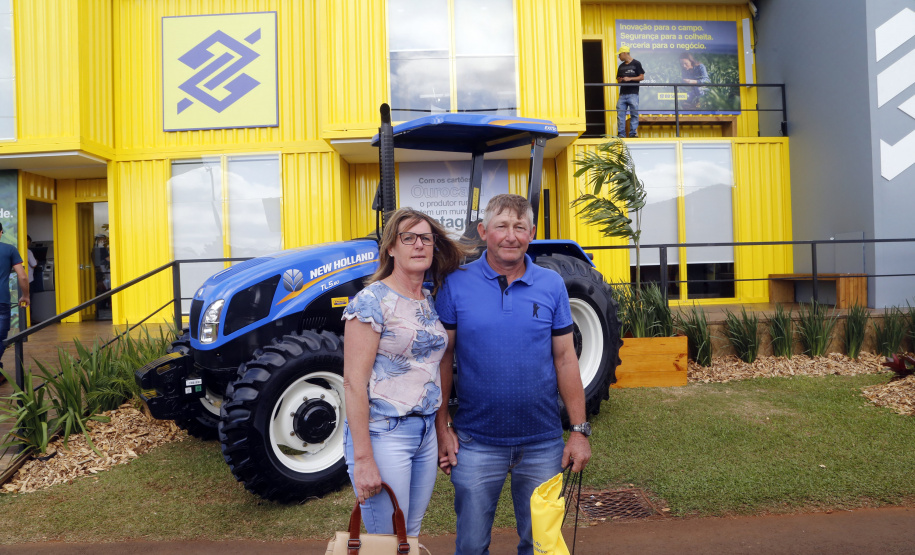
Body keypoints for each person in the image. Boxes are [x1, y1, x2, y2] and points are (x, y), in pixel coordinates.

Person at [435, 194, 592, 555]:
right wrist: (443, 427)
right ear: (483, 231)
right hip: (475, 441)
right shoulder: (456, 283)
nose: (510, 236)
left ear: (531, 233)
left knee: (540, 546)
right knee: (471, 546)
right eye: (501, 226)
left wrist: (579, 431)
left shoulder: (551, 285)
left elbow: (566, 359)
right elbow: (443, 358)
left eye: (519, 227)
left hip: (543, 443)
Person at [342, 207, 473, 537]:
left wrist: (441, 428)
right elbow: (353, 383)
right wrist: (364, 459)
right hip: (384, 433)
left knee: (408, 535)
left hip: (425, 432)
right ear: (391, 247)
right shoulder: (371, 301)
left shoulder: (428, 299)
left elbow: (435, 367)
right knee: (387, 539)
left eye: (425, 239)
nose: (418, 245)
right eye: (408, 238)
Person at [0, 223, 30, 369]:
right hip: (2, 300)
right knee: (1, 338)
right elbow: (22, 276)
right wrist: (25, 296)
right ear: (1, 232)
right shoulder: (9, 249)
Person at [616, 46, 645, 138]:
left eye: (619, 55)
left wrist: (630, 78)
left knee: (634, 114)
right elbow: (618, 80)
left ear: (625, 53)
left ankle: (633, 133)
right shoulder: (621, 66)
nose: (619, 57)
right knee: (620, 115)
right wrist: (620, 80)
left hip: (633, 93)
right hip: (622, 94)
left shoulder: (636, 63)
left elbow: (641, 77)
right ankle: (621, 134)